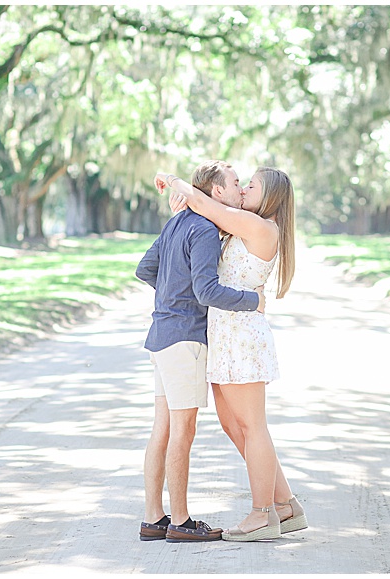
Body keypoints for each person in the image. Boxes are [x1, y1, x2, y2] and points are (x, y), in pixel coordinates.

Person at [153, 163, 307, 542]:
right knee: (233, 426)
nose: (244, 190)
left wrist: (173, 181)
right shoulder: (242, 224)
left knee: (253, 427)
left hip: (242, 338)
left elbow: (210, 207)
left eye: (250, 186)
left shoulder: (261, 226)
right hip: (223, 336)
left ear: (268, 195)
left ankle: (262, 514)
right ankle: (286, 504)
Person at [135, 160, 266, 543]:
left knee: (162, 429)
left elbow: (146, 269)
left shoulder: (177, 221)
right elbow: (208, 292)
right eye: (236, 183)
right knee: (183, 431)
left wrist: (171, 294)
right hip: (185, 339)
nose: (240, 190)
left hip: (160, 335)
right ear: (217, 192)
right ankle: (180, 521)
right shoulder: (206, 228)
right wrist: (252, 300)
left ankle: (153, 518)